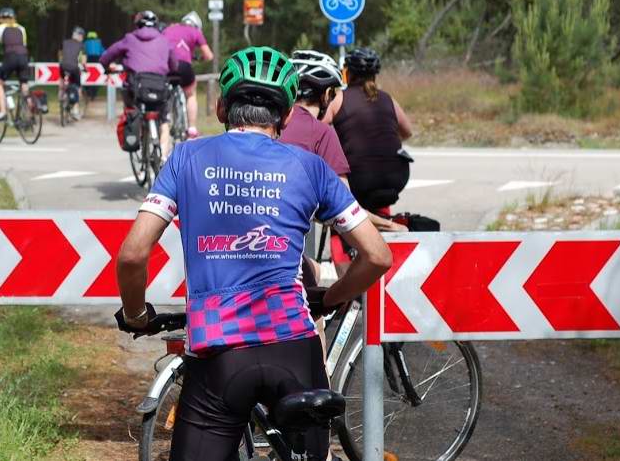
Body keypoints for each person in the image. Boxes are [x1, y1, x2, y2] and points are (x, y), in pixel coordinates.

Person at [114, 46, 392, 461]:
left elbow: (134, 254)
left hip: (219, 354)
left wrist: (136, 314)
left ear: (222, 107)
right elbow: (377, 256)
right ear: (284, 117)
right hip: (295, 348)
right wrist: (332, 298)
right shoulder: (310, 166)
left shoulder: (187, 157)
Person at [282, 50, 406, 280]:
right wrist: (393, 228)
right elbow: (342, 211)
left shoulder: (270, 124)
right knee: (314, 282)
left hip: (238, 246)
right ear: (327, 94)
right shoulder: (321, 132)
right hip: (391, 179)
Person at [332, 47, 413, 213]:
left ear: (348, 73)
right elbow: (407, 132)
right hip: (396, 177)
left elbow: (318, 127)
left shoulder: (340, 97)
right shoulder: (387, 98)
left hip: (360, 179)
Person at [100, 11, 180, 149]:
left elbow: (108, 55)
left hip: (137, 86)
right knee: (164, 120)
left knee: (132, 106)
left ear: (137, 25)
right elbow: (174, 64)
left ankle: (135, 128)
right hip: (160, 85)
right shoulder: (164, 40)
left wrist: (105, 65)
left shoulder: (129, 38)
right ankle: (163, 157)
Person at [162, 11, 215, 138]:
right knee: (191, 93)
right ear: (196, 25)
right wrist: (199, 58)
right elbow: (209, 56)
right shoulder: (196, 32)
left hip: (166, 65)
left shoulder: (169, 29)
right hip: (184, 67)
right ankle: (191, 128)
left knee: (163, 93)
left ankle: (164, 120)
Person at [0, 7, 28, 121]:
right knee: (24, 83)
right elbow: (24, 46)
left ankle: (3, 111)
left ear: (1, 18)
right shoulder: (21, 29)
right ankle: (28, 110)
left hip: (10, 57)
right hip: (23, 57)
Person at [60, 27, 86, 114]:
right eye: (82, 36)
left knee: (62, 80)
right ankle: (76, 108)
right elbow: (83, 61)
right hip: (74, 68)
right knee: (77, 86)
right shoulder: (81, 45)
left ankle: (61, 95)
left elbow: (60, 55)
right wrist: (85, 68)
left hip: (63, 66)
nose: (82, 38)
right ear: (79, 36)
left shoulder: (65, 42)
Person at [83, 31, 105, 100]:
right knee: (97, 75)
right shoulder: (99, 42)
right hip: (97, 59)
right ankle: (93, 93)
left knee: (86, 75)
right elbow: (103, 52)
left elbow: (83, 51)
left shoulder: (85, 43)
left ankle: (87, 90)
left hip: (88, 59)